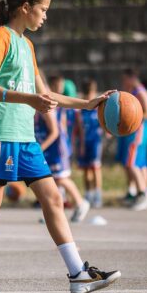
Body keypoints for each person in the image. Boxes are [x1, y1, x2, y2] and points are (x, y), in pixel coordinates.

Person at [0, 0, 120, 293]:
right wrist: (28, 100)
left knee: (53, 199)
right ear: (25, 7)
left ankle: (78, 274)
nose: (45, 16)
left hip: (25, 139)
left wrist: (87, 104)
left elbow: (44, 93)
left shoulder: (27, 45)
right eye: (42, 9)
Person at [35, 75, 90, 222]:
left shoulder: (47, 102)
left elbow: (56, 131)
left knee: (61, 179)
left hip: (56, 148)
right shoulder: (46, 101)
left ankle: (80, 202)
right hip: (51, 148)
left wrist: (40, 148)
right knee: (53, 180)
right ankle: (55, 211)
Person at [117, 68, 147, 211]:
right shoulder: (133, 92)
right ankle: (143, 192)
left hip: (139, 132)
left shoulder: (141, 92)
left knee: (131, 162)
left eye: (124, 79)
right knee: (140, 164)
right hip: (135, 132)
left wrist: (131, 116)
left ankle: (143, 194)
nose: (123, 82)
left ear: (131, 78)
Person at [75, 79, 104, 208]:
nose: (89, 96)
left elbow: (104, 123)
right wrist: (80, 144)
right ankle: (88, 194)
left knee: (95, 168)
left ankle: (98, 194)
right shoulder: (81, 108)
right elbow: (79, 128)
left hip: (95, 142)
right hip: (83, 142)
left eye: (91, 93)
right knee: (86, 169)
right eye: (87, 93)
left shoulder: (99, 107)